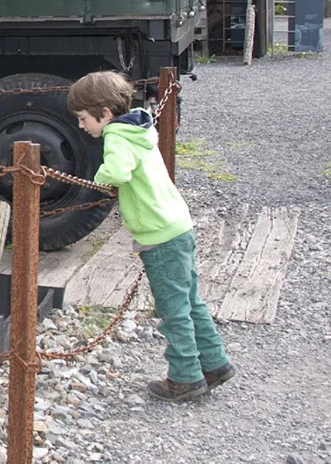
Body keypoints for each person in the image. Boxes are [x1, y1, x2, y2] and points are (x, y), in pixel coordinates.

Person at [67, 70, 235, 402]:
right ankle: (214, 363)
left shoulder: (116, 136)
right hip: (178, 226)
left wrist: (99, 177)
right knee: (191, 300)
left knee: (172, 308)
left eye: (84, 118)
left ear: (105, 113)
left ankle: (185, 376)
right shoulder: (140, 129)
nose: (82, 126)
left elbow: (116, 172)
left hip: (159, 235)